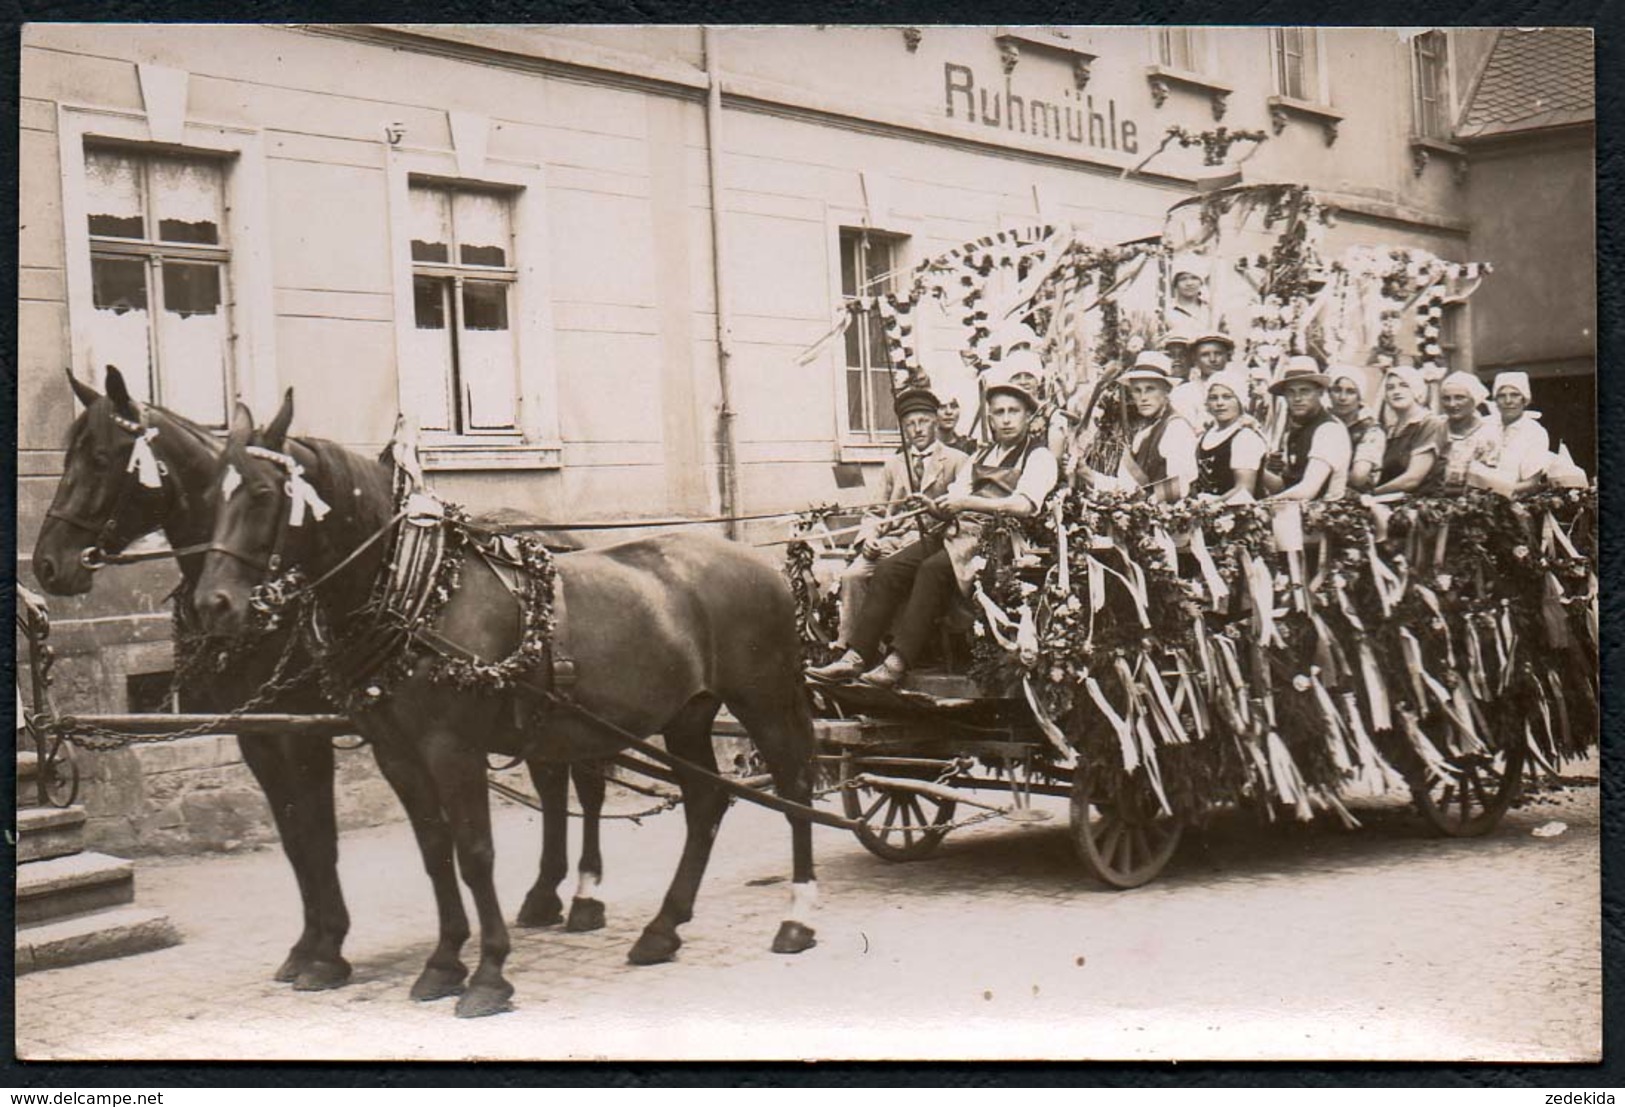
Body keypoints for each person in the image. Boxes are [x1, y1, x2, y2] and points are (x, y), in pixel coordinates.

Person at [807, 367, 1058, 688]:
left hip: (1000, 539)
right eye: (999, 413)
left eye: (1014, 412)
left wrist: (967, 504)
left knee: (932, 570)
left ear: (1027, 416)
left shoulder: (1038, 456)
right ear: (990, 419)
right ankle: (855, 656)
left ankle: (898, 661)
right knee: (890, 568)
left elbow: (1023, 505)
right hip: (957, 531)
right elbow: (955, 496)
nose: (1006, 419)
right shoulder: (983, 454)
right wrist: (934, 506)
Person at [831, 388, 970, 654]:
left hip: (930, 542)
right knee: (853, 575)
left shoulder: (957, 461)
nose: (917, 429)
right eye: (909, 424)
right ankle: (848, 649)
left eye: (923, 422)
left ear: (936, 421)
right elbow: (875, 511)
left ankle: (888, 649)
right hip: (890, 540)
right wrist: (870, 538)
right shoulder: (893, 464)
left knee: (896, 574)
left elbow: (961, 513)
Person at [1260, 356, 1351, 501]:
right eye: (1291, 392)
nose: (1297, 398)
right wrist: (1257, 469)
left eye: (1305, 391)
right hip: (1298, 512)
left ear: (1320, 392)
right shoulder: (1296, 431)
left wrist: (1265, 504)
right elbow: (1285, 487)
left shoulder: (1329, 430)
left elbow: (1308, 490)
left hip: (1327, 515)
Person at [1115, 351, 1198, 503]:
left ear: (1167, 391)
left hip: (1172, 518)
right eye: (1137, 390)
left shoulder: (1176, 428)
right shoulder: (1143, 433)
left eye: (1150, 389)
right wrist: (1085, 473)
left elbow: (1180, 485)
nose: (1143, 397)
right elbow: (1126, 485)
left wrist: (1144, 503)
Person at [1192, 369, 1268, 501]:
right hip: (1206, 515)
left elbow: (1244, 490)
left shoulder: (1245, 437)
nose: (1219, 403)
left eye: (1227, 397)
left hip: (1239, 515)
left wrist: (1208, 505)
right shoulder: (1206, 435)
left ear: (1240, 401)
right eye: (1213, 398)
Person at [1372, 365, 1446, 494]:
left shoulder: (1430, 424)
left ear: (1415, 388)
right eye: (1390, 388)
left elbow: (1412, 479)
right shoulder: (1391, 430)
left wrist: (1372, 494)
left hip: (1421, 505)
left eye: (1404, 385)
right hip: (1389, 501)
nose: (1396, 391)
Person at [1476, 371, 1550, 494]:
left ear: (1525, 400)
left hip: (1516, 501)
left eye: (1515, 395)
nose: (1508, 401)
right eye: (1502, 396)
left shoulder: (1535, 432)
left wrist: (1496, 492)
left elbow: (1531, 483)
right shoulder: (1482, 426)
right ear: (1495, 400)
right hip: (1476, 499)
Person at [1426, 371, 1501, 494]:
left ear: (1474, 399)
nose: (1452, 404)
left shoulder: (1489, 434)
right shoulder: (1433, 427)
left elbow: (1489, 481)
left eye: (1460, 397)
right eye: (1446, 398)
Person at [1326, 365, 1386, 492]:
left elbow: (1358, 476)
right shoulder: (1320, 423)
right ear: (1329, 394)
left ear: (1360, 397)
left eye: (1350, 392)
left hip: (1355, 498)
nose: (1342, 397)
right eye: (1337, 390)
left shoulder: (1371, 431)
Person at [1170, 331, 1234, 427]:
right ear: (1195, 359)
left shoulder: (1238, 390)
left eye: (1218, 354)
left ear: (1227, 357)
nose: (1212, 359)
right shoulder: (1183, 392)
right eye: (1205, 355)